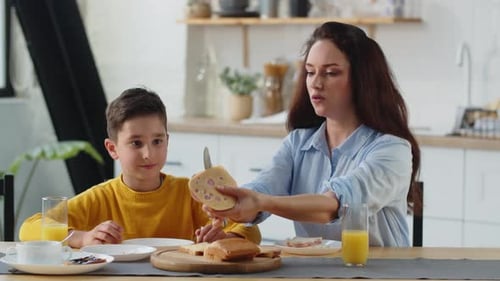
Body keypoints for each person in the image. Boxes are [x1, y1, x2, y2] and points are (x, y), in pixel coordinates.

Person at [204, 22, 421, 247]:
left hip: (380, 273)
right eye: (310, 72)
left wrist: (260, 202)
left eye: (331, 73)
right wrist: (234, 205)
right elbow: (264, 187)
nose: (316, 83)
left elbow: (334, 205)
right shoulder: (297, 144)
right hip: (316, 271)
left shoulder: (392, 150)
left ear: (361, 80)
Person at [19, 87, 261, 248]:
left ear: (168, 140)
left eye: (157, 141)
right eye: (136, 143)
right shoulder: (100, 198)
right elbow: (28, 228)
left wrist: (226, 238)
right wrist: (83, 237)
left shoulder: (189, 195)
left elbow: (250, 231)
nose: (148, 154)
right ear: (112, 149)